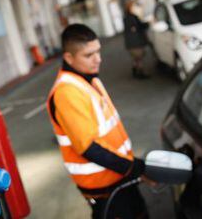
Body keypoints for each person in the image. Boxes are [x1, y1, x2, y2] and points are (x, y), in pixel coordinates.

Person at [47, 24, 149, 219]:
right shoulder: (67, 93)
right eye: (88, 55)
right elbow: (89, 148)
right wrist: (133, 167)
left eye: (98, 51)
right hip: (103, 185)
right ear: (69, 58)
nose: (98, 59)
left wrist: (130, 169)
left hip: (118, 176)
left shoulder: (89, 79)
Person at [123, 0, 150, 79]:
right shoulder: (132, 18)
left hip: (132, 43)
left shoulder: (127, 17)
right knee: (139, 58)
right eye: (134, 6)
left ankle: (135, 71)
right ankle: (140, 73)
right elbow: (139, 26)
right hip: (136, 42)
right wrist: (149, 23)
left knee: (136, 58)